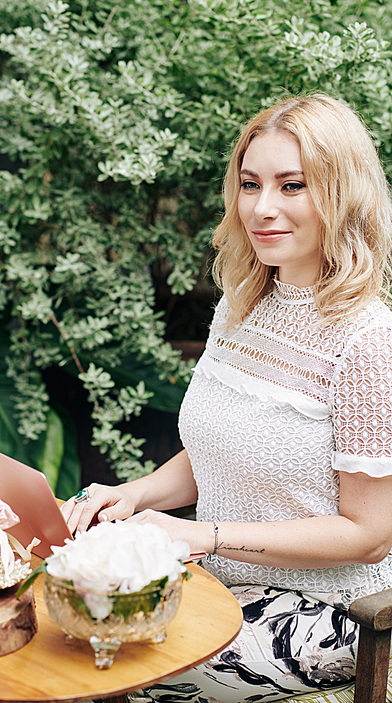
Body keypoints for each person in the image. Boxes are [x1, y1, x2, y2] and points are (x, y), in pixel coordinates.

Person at [61, 93, 392, 702]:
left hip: (328, 612)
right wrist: (132, 495)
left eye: (293, 186)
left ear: (344, 196)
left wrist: (203, 535)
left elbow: (370, 533)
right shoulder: (239, 306)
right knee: (61, 622)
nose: (262, 208)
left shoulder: (367, 339)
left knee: (115, 667)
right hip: (218, 583)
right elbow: (219, 447)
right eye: (250, 184)